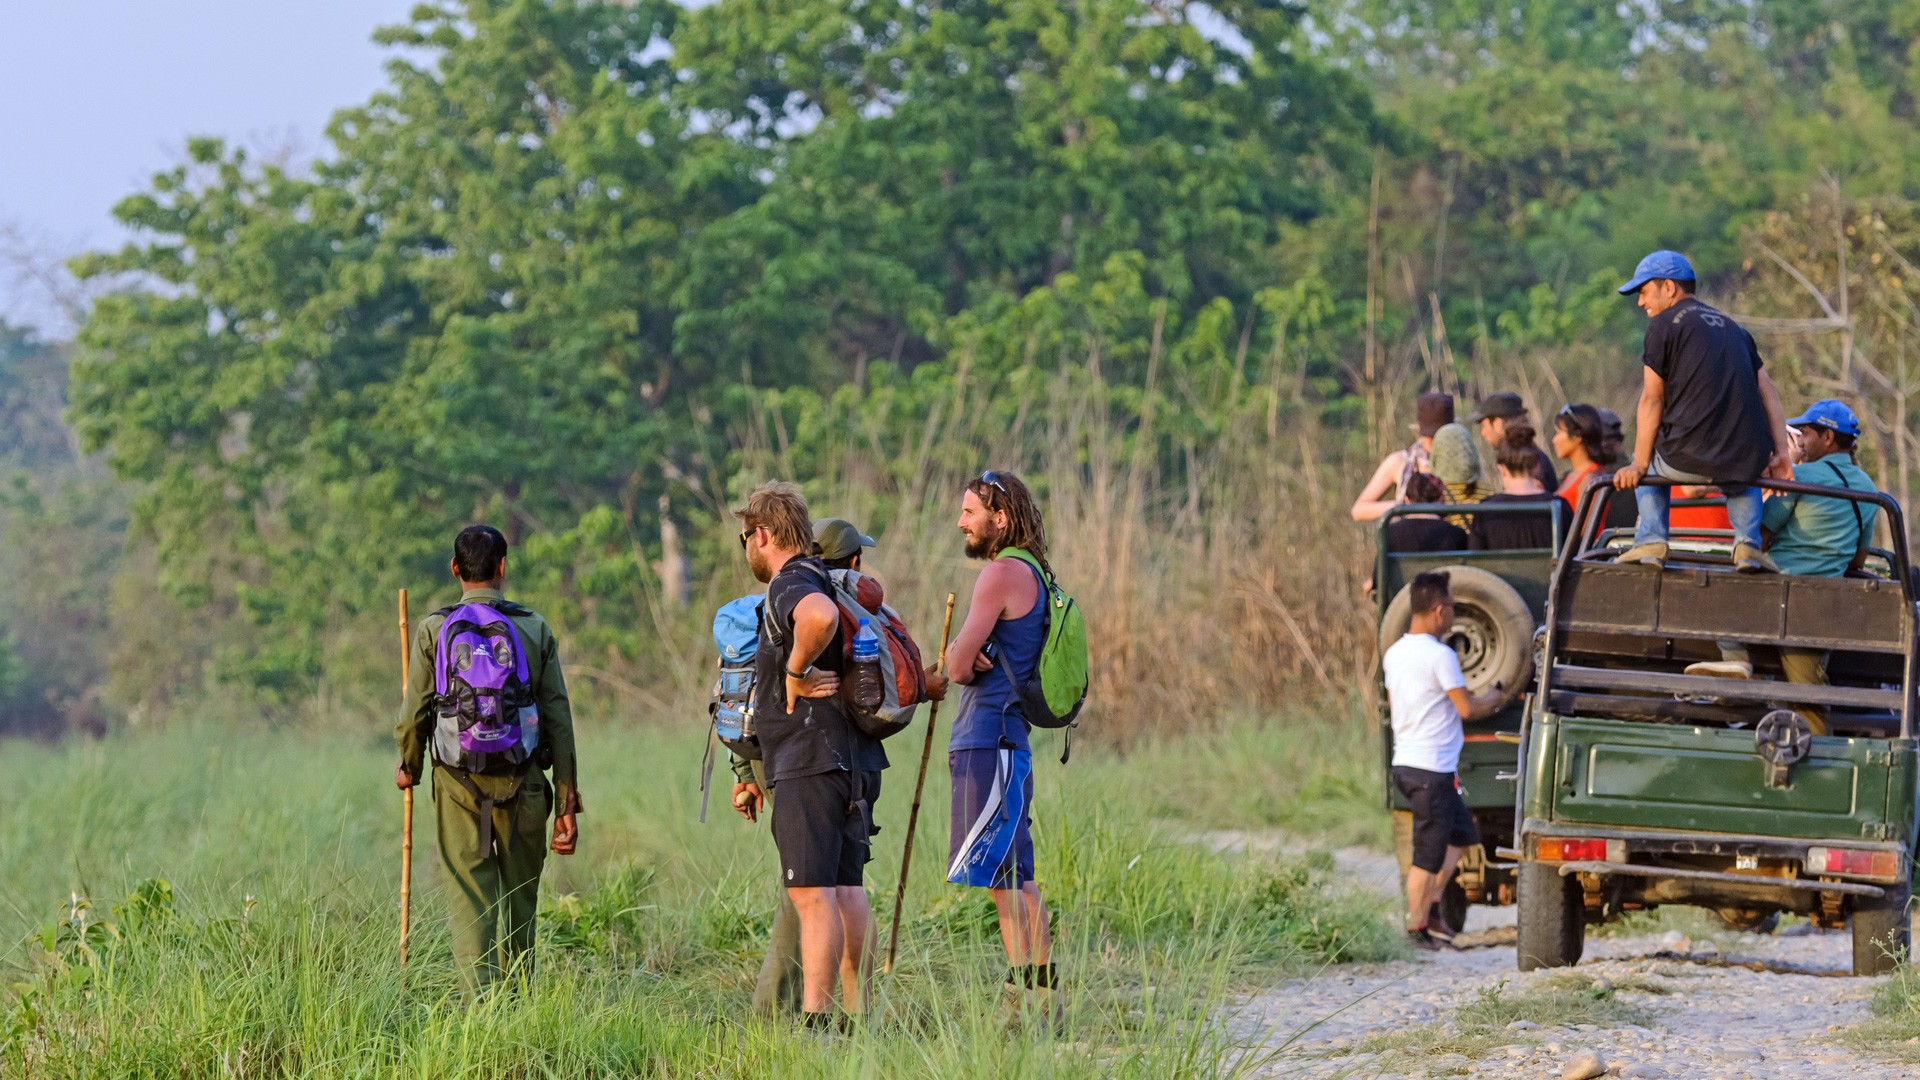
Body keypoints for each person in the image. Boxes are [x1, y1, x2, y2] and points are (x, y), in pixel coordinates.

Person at [394, 524, 579, 995]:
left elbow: (414, 711)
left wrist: (409, 766)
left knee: (470, 903)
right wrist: (567, 800)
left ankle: (482, 1013)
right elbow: (558, 716)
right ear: (502, 568)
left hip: (457, 785)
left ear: (455, 569)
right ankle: (517, 1011)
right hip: (526, 781)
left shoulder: (434, 629)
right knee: (520, 903)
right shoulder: (534, 628)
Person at [735, 482, 886, 1026]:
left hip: (810, 761)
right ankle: (856, 1018)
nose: (746, 546)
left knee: (812, 895)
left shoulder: (792, 582)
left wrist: (794, 671)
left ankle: (816, 1024)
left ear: (765, 535)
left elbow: (818, 617)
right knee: (847, 890)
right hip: (854, 759)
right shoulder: (830, 577)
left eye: (745, 536)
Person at [1685, 401, 1881, 735]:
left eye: (1804, 434)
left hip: (1774, 591)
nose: (1800, 441)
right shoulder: (1868, 489)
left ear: (1828, 437)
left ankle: (1737, 664)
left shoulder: (1801, 477)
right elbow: (1857, 561)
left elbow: (1760, 538)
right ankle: (1817, 757)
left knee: (1721, 592)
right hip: (1820, 605)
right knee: (1810, 700)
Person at [944, 469, 1062, 1025]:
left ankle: (1027, 1002)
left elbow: (957, 663)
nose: (961, 522)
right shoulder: (1036, 573)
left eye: (970, 513)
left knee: (1001, 879)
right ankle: (1041, 1001)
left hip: (988, 739)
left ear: (1001, 518)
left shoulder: (1000, 574)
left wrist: (959, 659)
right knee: (1015, 875)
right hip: (1011, 741)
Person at [1611, 250, 1793, 571]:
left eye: (1643, 292)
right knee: (1743, 473)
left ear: (1668, 287)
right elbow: (1769, 393)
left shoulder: (1662, 326)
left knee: (1650, 466)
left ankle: (1651, 540)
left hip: (1683, 461)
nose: (1641, 303)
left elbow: (1652, 400)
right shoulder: (1736, 329)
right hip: (1742, 463)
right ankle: (1747, 545)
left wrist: (1638, 465)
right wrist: (1781, 455)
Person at [1384, 571, 1507, 950]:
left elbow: (1394, 703)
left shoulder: (1394, 652)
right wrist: (1497, 696)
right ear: (1439, 611)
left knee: (1461, 835)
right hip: (1430, 771)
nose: (1454, 613)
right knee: (1425, 857)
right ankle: (1416, 932)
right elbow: (1466, 708)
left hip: (1408, 762)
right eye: (1452, 606)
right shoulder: (1441, 655)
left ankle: (1433, 908)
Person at [1352, 392, 1454, 522]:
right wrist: (1403, 507)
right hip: (1410, 538)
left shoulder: (1463, 463)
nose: (1435, 442)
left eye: (1441, 435)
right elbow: (1359, 510)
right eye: (1430, 436)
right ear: (1419, 429)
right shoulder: (1401, 461)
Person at [1469, 423, 1569, 551]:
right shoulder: (1559, 506)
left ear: (1501, 469)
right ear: (1537, 466)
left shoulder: (1485, 511)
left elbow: (1475, 565)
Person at [1466, 391, 1558, 493]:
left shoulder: (1529, 463)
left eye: (1484, 426)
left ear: (1498, 423)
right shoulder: (1531, 456)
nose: (1483, 433)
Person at [1383, 472, 1468, 553]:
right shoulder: (1457, 534)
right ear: (1441, 499)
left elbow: (1381, 567)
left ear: (1407, 500)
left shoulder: (1389, 533)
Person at [1550, 404, 1607, 505]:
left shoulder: (1591, 479)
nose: (1554, 440)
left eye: (1558, 433)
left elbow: (1586, 520)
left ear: (1577, 437)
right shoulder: (1572, 475)